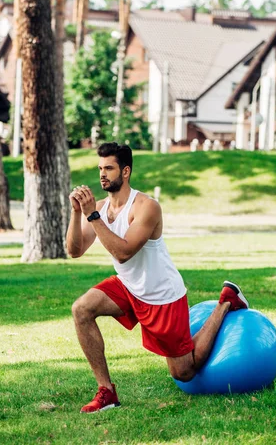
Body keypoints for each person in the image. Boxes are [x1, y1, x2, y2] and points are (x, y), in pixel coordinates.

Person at [67, 141, 249, 414]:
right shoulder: (102, 208)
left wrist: (93, 215)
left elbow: (123, 252)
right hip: (128, 287)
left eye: (109, 168)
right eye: (100, 168)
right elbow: (75, 250)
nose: (102, 174)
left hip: (161, 295)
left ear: (125, 171)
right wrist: (76, 212)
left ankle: (225, 302)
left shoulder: (147, 207)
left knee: (184, 372)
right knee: (82, 309)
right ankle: (107, 392)